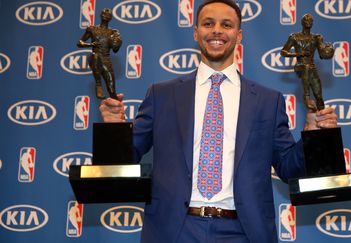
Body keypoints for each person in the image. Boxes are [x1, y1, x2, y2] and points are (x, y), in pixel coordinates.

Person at [99, 1, 337, 242]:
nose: (217, 31)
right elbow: (126, 160)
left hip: (242, 232)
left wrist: (311, 135)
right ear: (195, 32)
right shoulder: (161, 96)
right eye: (208, 23)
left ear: (238, 35)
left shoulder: (267, 101)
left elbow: (288, 168)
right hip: (174, 231)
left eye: (226, 25)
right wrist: (114, 130)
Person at [281, 13, 334, 111]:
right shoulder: (294, 37)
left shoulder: (317, 38)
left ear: (312, 23)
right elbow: (283, 52)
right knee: (306, 67)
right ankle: (306, 96)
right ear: (302, 22)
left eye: (310, 20)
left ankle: (321, 115)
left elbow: (322, 54)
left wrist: (330, 50)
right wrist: (298, 54)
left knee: (318, 95)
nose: (308, 22)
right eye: (306, 20)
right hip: (300, 65)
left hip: (311, 66)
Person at [77, 8, 122, 99]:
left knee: (112, 90)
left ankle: (117, 107)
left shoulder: (113, 32)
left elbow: (115, 49)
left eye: (108, 15)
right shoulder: (92, 29)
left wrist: (118, 42)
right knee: (95, 55)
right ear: (101, 15)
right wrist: (90, 44)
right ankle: (98, 84)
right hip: (96, 58)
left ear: (110, 18)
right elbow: (79, 43)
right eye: (104, 13)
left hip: (106, 60)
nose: (106, 16)